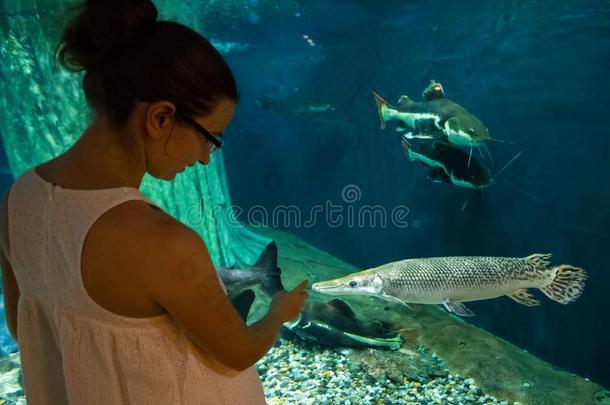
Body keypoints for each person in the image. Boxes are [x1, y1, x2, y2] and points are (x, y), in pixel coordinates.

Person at [0, 0, 309, 403]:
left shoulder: (16, 198)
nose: (204, 157)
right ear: (161, 118)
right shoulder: (162, 243)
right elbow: (240, 351)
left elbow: (22, 322)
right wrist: (279, 312)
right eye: (210, 137)